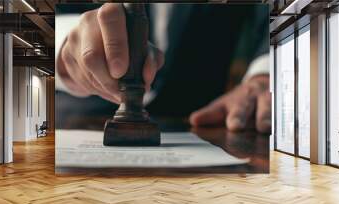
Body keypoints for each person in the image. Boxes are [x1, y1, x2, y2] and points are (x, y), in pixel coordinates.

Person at [56, 3, 271, 133]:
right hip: (79, 119)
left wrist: (265, 74)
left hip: (197, 121)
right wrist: (65, 47)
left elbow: (277, 12)